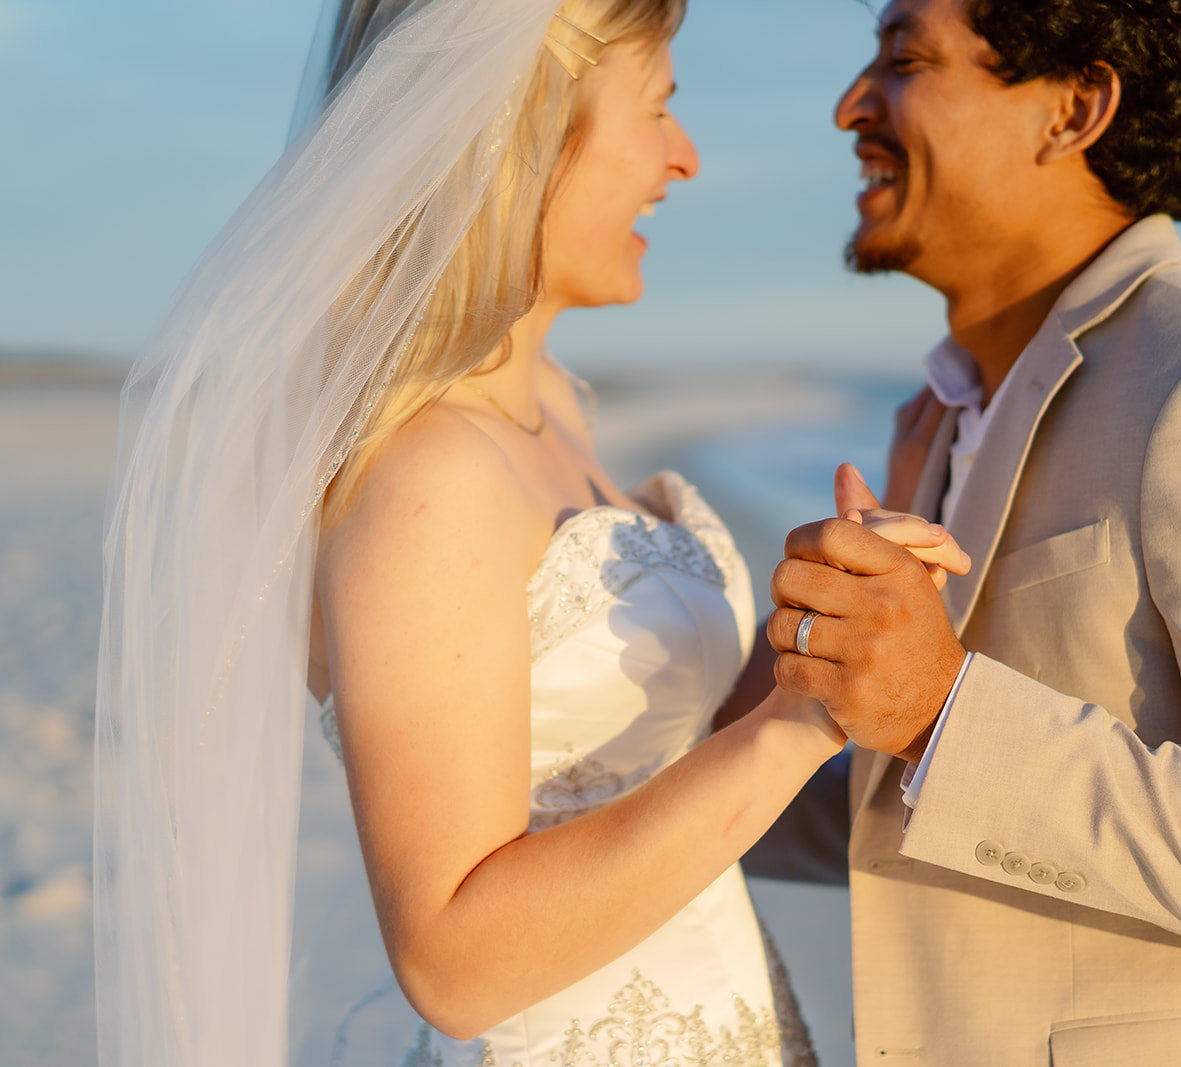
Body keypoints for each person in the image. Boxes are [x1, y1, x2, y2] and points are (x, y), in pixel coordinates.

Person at [92, 3, 967, 1066]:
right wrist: (801, 719)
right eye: (658, 110)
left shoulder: (552, 402)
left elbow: (673, 762)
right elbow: (454, 961)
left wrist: (842, 593)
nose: (682, 160)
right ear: (532, 134)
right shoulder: (430, 471)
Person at [759, 0, 1181, 1062]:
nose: (853, 103)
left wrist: (941, 706)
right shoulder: (936, 423)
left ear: (1074, 107)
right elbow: (916, 801)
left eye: (903, 59)